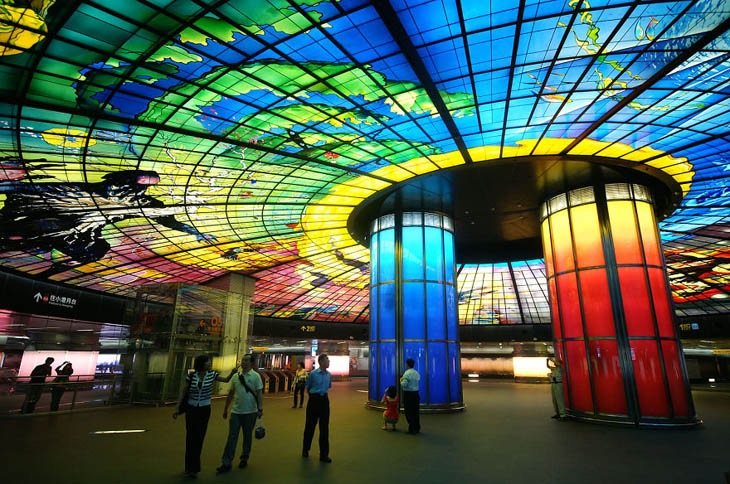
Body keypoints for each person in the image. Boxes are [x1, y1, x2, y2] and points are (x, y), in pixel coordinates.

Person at [173, 355, 237, 478]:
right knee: (190, 438)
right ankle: (189, 467)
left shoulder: (212, 375)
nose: (209, 364)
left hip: (204, 410)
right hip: (191, 410)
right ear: (201, 363)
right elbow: (183, 393)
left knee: (199, 438)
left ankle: (194, 468)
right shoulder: (191, 376)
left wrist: (232, 373)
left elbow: (225, 380)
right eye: (207, 362)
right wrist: (177, 408)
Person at [217, 354, 263, 472]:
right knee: (232, 437)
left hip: (250, 412)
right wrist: (226, 408)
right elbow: (231, 393)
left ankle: (244, 458)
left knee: (247, 436)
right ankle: (226, 462)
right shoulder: (236, 377)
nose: (244, 362)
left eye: (247, 361)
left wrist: (260, 408)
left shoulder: (255, 376)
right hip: (236, 412)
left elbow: (259, 393)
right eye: (243, 360)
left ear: (251, 363)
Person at [302, 354, 332, 463]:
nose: (329, 362)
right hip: (314, 401)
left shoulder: (329, 375)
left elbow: (328, 387)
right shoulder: (313, 374)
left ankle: (324, 454)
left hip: (324, 401)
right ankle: (305, 449)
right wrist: (313, 398)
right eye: (327, 360)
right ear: (321, 362)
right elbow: (308, 388)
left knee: (324, 428)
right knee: (310, 426)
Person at [400, 358, 421, 434]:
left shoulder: (406, 373)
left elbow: (404, 384)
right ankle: (417, 428)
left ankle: (411, 429)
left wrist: (401, 380)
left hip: (408, 395)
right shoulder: (416, 373)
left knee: (409, 412)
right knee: (415, 412)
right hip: (416, 394)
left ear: (407, 364)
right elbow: (418, 380)